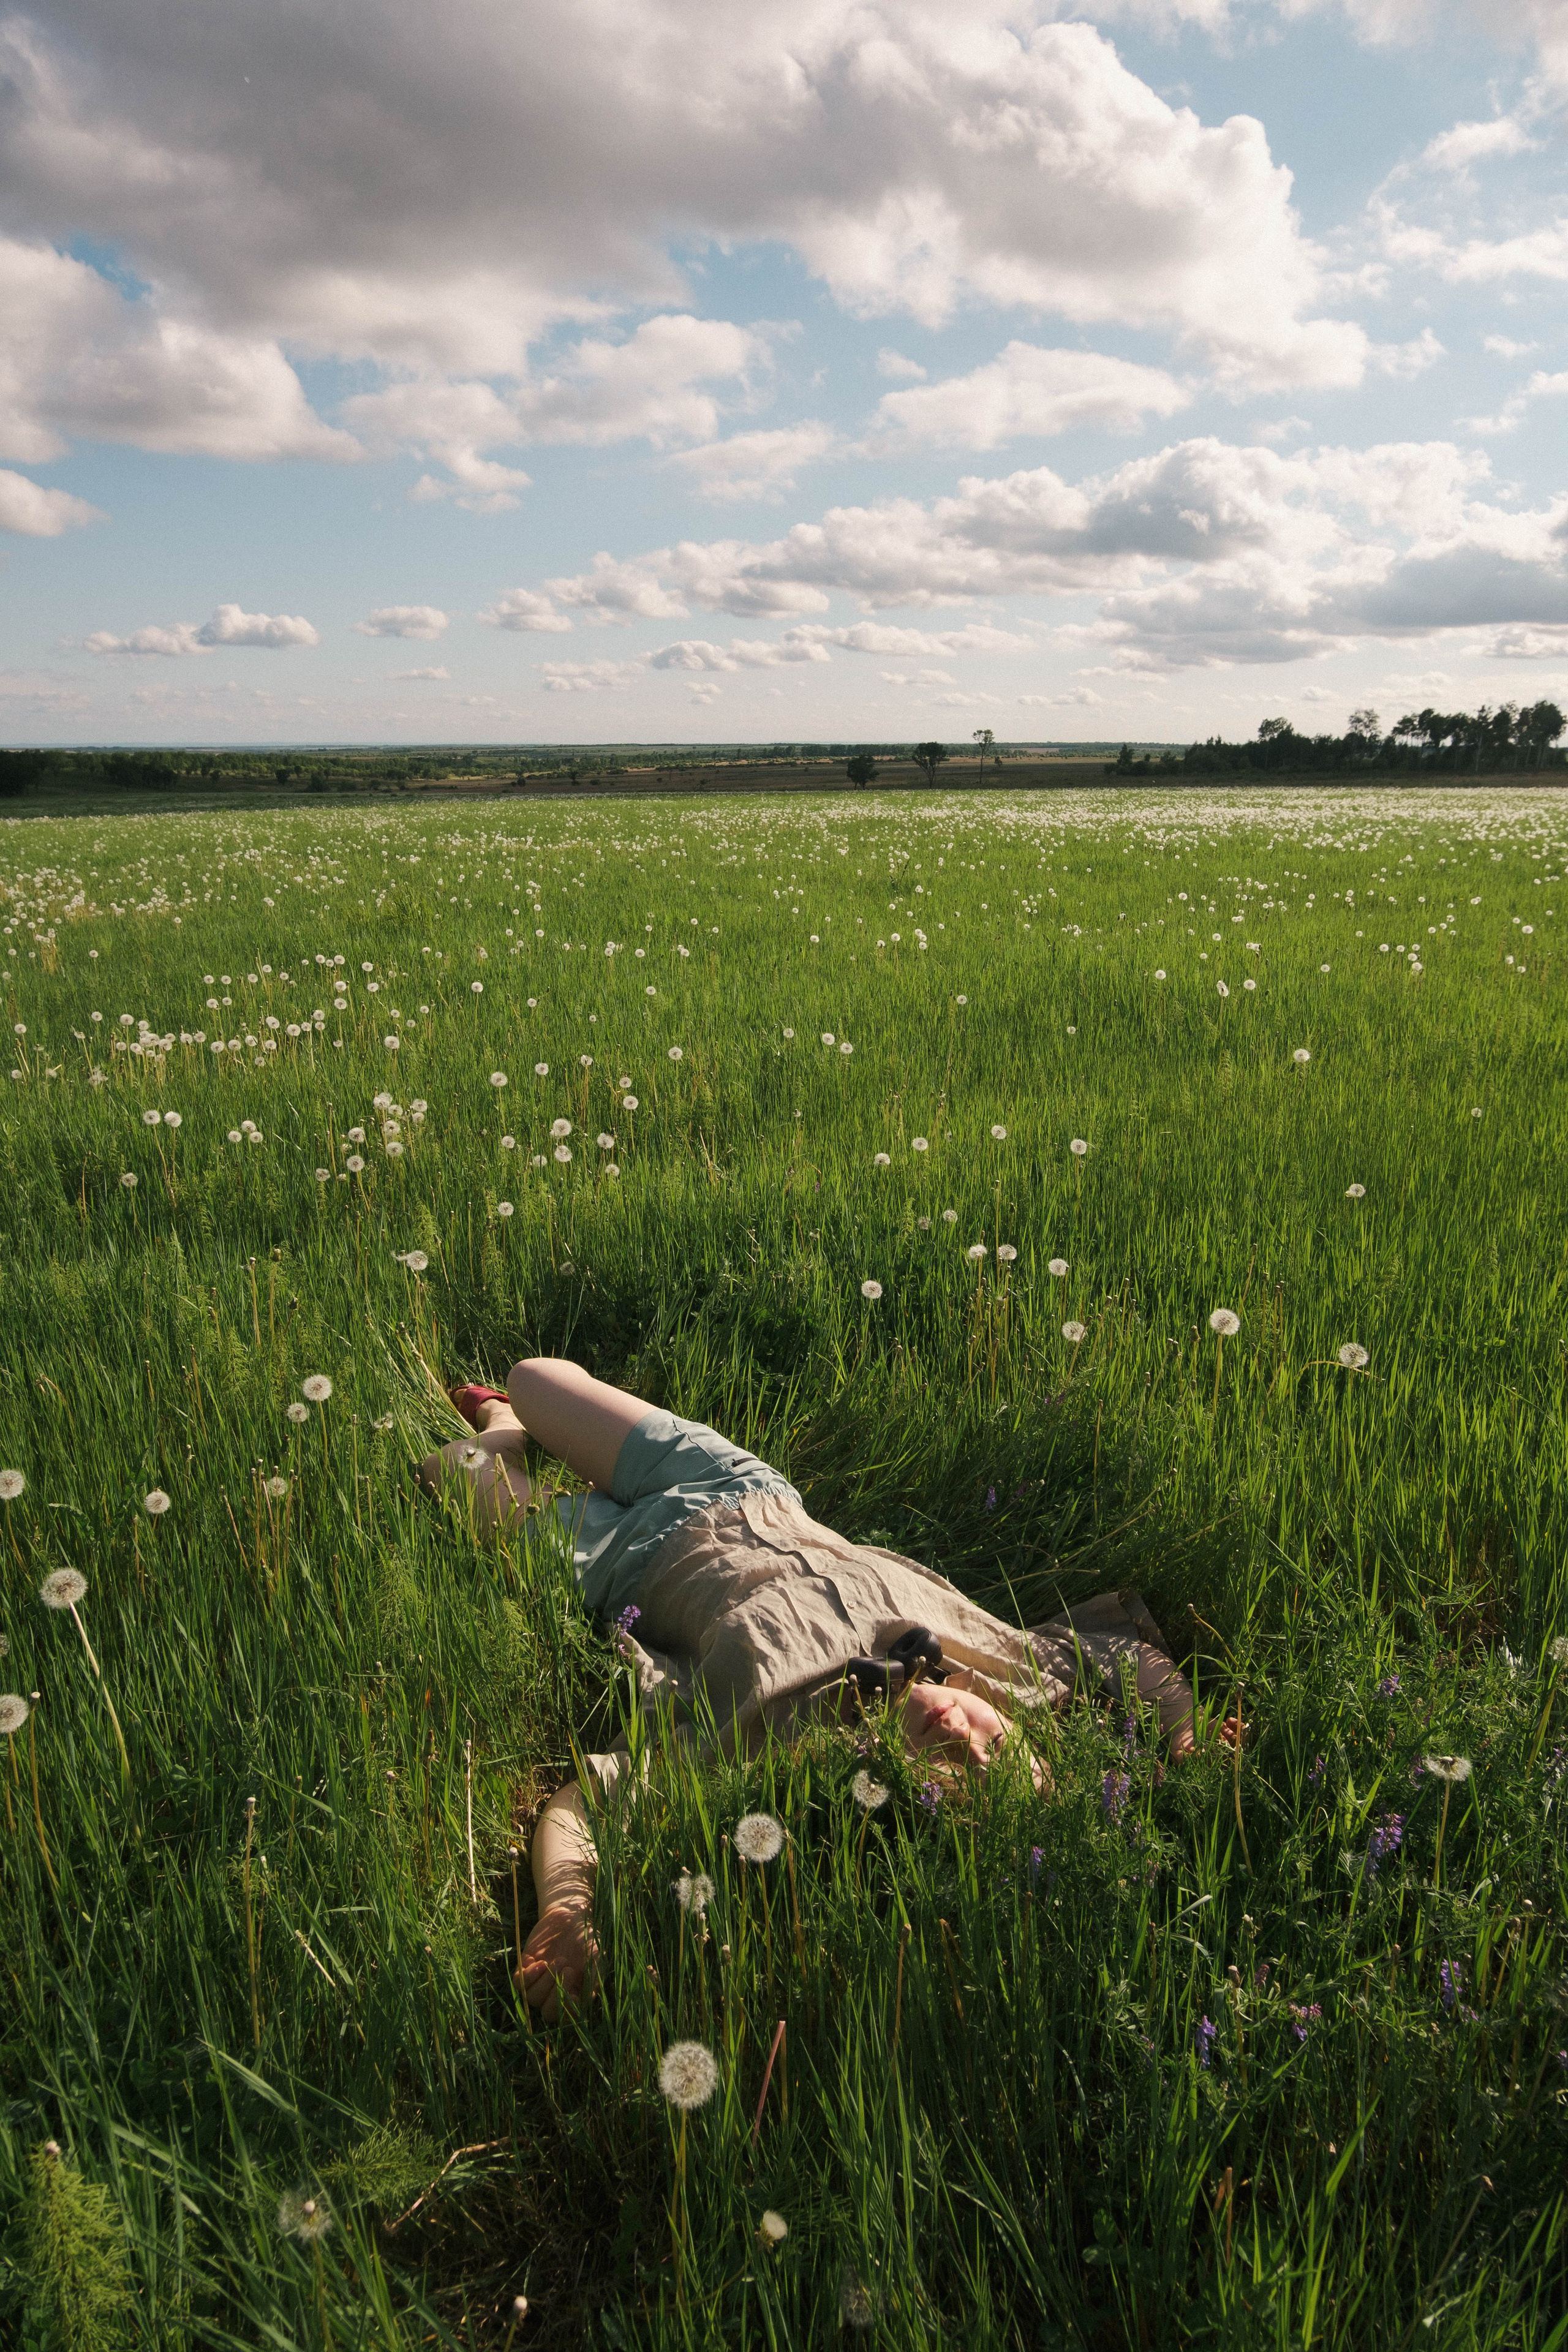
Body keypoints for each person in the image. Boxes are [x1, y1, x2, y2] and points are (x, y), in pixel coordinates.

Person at [419, 1357, 1204, 2022]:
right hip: (733, 1486)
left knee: (451, 1473)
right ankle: (513, 1409)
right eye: (990, 1743)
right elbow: (1126, 1658)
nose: (960, 1737)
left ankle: (498, 1437)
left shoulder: (775, 1748)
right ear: (1019, 1725)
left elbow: (583, 1804)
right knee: (536, 1376)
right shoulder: (1014, 1673)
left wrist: (566, 1906)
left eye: (953, 1773)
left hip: (615, 1564)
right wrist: (1188, 1742)